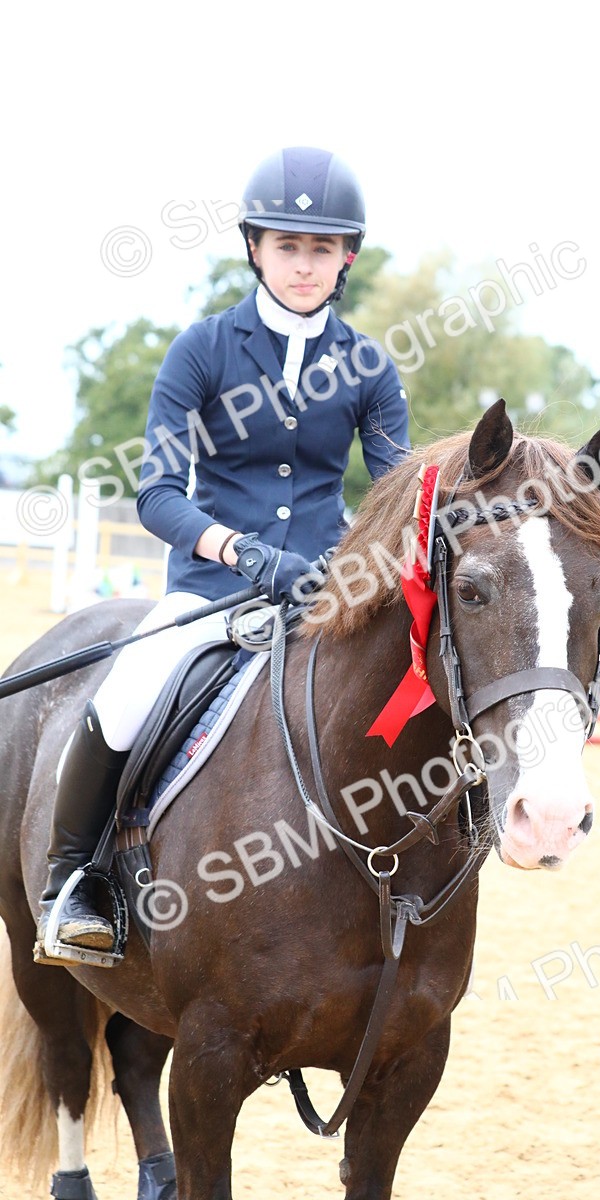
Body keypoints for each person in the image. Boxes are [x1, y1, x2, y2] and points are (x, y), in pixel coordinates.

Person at [35, 146, 410, 962]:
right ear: (254, 248)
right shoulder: (203, 350)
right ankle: (75, 882)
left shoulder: (370, 368)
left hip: (323, 597)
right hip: (210, 591)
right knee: (130, 693)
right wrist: (242, 553)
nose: (303, 265)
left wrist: (354, 564)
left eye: (320, 249)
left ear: (347, 256)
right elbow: (159, 495)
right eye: (286, 246)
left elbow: (395, 499)